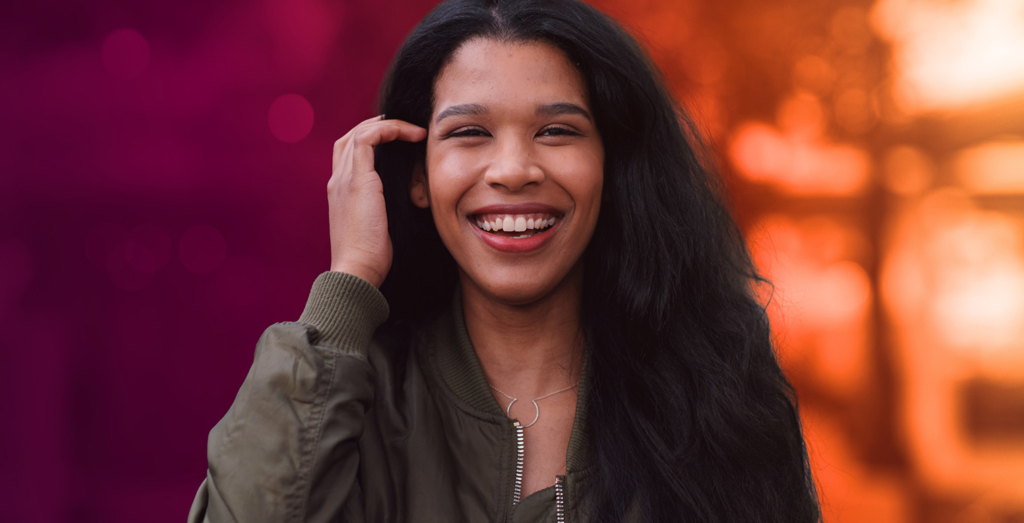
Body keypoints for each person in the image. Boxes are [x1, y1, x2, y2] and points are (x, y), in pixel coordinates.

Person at [187, 0, 822, 521]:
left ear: (611, 168)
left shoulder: (717, 395)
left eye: (557, 131)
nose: (514, 170)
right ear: (417, 177)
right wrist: (349, 280)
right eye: (470, 133)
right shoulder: (349, 398)